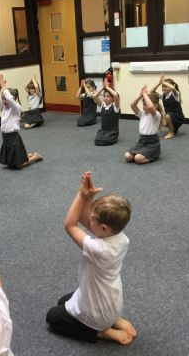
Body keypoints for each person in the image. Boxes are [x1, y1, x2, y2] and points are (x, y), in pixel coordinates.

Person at [46, 172, 136, 345]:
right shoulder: (120, 237)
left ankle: (101, 332)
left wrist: (81, 196)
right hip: (111, 303)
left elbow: (70, 225)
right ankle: (113, 320)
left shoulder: (99, 250)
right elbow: (83, 218)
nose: (89, 220)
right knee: (62, 301)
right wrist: (89, 197)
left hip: (97, 314)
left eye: (93, 219)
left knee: (52, 317)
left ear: (103, 228)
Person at [0, 74, 43, 168]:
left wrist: (4, 86)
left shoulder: (16, 108)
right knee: (11, 163)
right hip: (5, 137)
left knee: (19, 165)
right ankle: (25, 156)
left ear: (13, 98)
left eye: (5, 99)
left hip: (13, 137)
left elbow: (10, 100)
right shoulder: (4, 108)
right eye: (3, 99)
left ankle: (35, 157)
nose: (4, 101)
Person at [124, 86, 163, 164]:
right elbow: (132, 105)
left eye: (146, 105)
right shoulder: (142, 114)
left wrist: (145, 94)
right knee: (127, 156)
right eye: (143, 104)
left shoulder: (156, 115)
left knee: (138, 159)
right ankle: (142, 154)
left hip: (152, 143)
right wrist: (140, 96)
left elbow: (151, 107)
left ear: (155, 106)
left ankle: (154, 155)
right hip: (141, 142)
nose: (144, 107)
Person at [150, 73, 184, 139]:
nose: (164, 88)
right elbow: (152, 92)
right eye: (163, 86)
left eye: (166, 86)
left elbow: (173, 88)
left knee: (168, 116)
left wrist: (163, 82)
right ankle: (173, 129)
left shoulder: (175, 94)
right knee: (158, 115)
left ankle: (171, 133)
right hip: (169, 116)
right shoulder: (163, 95)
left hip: (178, 117)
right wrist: (159, 83)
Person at [92, 79, 120, 146]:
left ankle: (112, 137)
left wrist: (107, 87)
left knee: (105, 141)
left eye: (108, 96)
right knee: (97, 140)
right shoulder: (102, 105)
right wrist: (103, 88)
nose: (105, 98)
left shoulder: (115, 106)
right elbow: (95, 96)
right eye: (104, 96)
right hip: (103, 130)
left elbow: (116, 95)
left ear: (112, 98)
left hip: (112, 131)